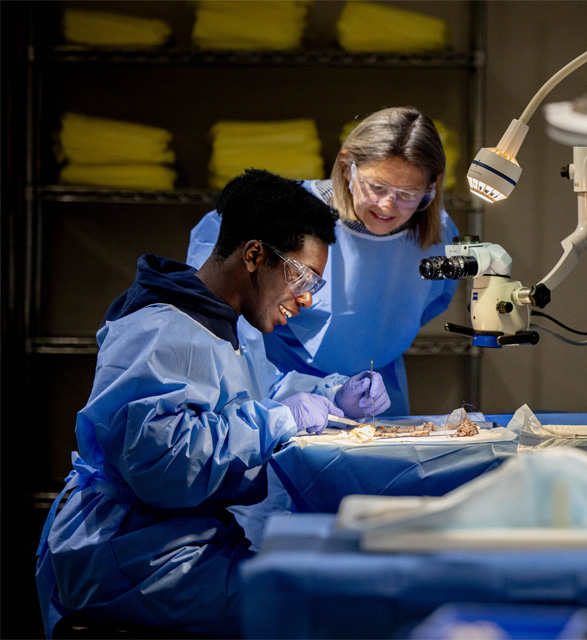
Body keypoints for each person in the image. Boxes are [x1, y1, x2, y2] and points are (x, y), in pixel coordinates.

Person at [35, 169, 390, 638]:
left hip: (172, 540)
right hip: (128, 554)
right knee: (316, 612)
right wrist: (280, 420)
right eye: (303, 276)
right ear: (255, 254)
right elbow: (160, 463)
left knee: (328, 581)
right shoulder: (161, 329)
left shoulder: (220, 324)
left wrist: (331, 397)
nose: (306, 298)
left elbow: (248, 402)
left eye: (317, 286)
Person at [187, 106, 459, 417]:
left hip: (372, 392)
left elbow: (426, 305)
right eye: (377, 187)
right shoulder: (284, 216)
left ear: (432, 186)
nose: (388, 206)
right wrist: (292, 396)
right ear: (347, 167)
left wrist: (357, 378)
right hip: (280, 388)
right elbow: (221, 311)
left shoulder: (438, 232)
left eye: (408, 194)